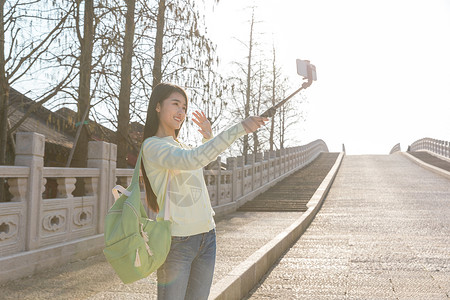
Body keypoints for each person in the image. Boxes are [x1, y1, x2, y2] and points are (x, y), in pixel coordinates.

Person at [140, 82, 268, 300]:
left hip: (207, 235)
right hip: (177, 241)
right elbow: (193, 159)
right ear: (158, 106)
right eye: (175, 104)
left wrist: (208, 137)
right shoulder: (153, 146)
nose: (181, 111)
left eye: (184, 107)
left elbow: (198, 161)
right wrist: (239, 128)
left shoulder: (181, 146)